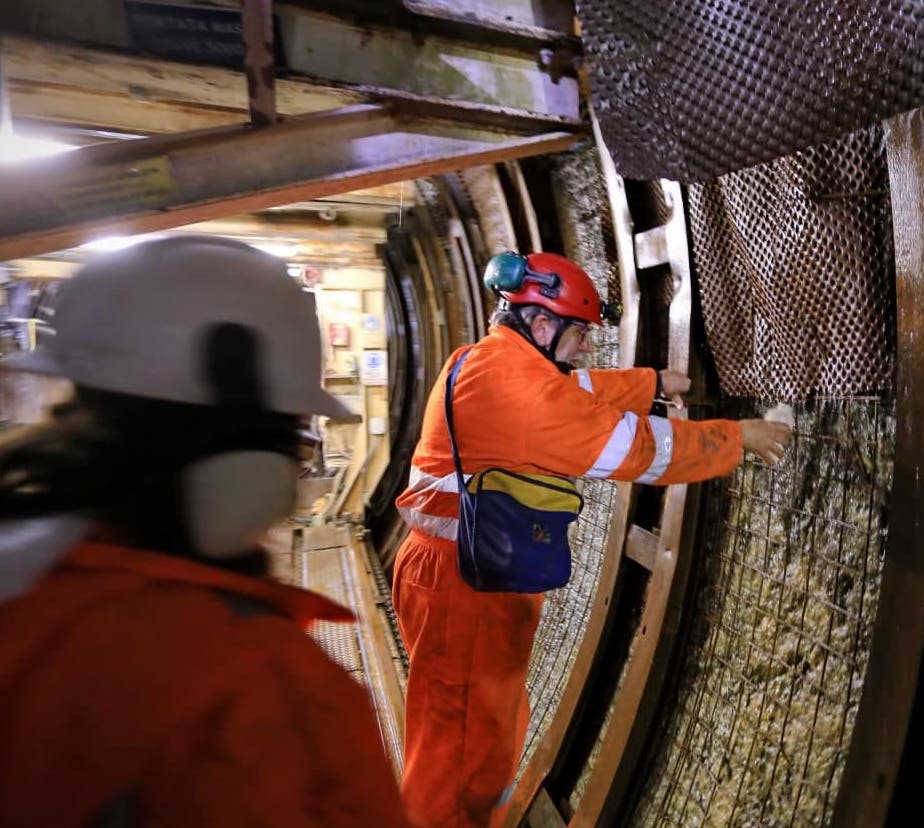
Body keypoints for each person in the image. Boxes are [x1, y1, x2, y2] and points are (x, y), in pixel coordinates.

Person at [0, 236, 409, 827]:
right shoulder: (260, 690)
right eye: (291, 431)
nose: (297, 461)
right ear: (240, 456)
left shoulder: (29, 584)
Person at [392, 250, 792, 827]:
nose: (585, 346)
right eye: (579, 334)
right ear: (543, 325)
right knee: (455, 760)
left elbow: (576, 390)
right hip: (463, 592)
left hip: (456, 574)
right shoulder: (524, 392)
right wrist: (736, 438)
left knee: (476, 736)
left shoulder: (492, 363)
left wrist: (651, 382)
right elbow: (632, 448)